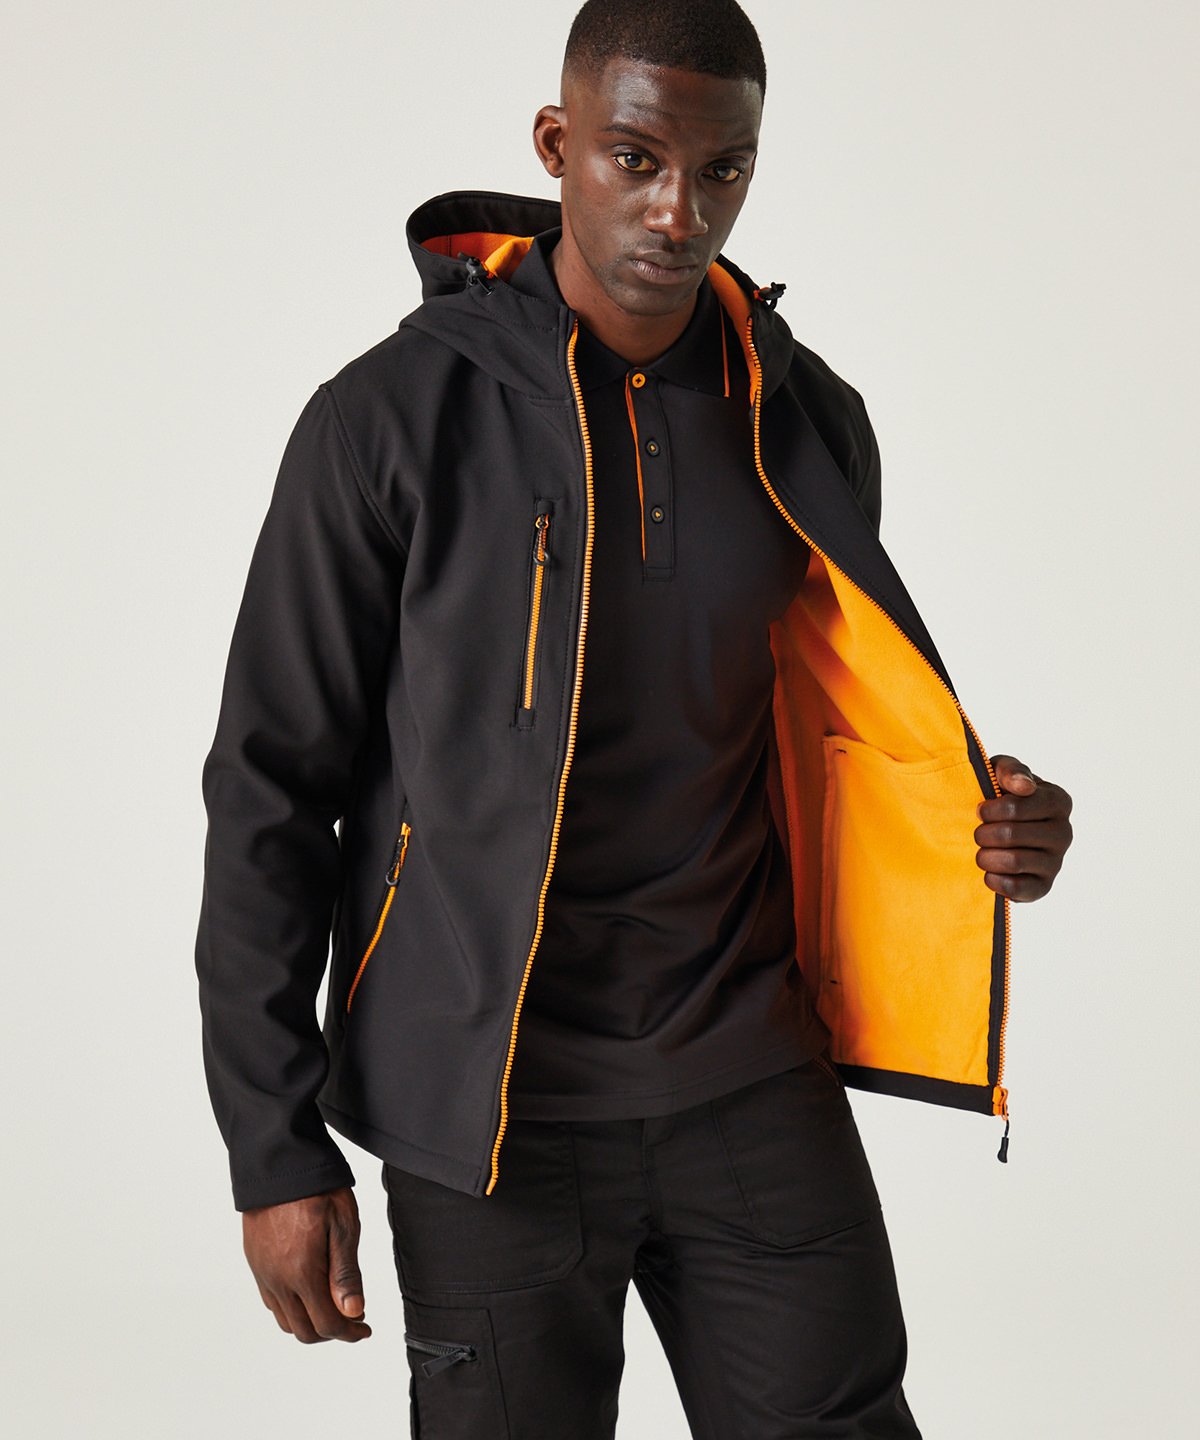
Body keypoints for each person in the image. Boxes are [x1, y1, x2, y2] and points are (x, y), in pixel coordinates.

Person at [194, 1, 1074, 1434]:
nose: (681, 212)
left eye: (723, 170)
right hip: (488, 1114)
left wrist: (988, 824)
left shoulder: (805, 415)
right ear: (557, 146)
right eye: (636, 158)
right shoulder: (387, 421)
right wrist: (272, 1148)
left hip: (753, 1078)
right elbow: (268, 792)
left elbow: (834, 726)